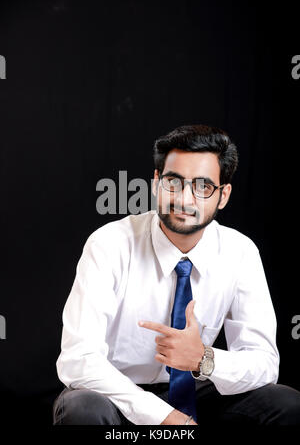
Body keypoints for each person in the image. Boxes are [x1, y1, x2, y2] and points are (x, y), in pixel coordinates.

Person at [53, 124, 300, 425]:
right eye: (174, 182)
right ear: (156, 183)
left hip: (198, 392)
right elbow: (78, 359)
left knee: (287, 404)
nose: (184, 200)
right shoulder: (110, 244)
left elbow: (264, 363)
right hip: (117, 396)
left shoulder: (240, 252)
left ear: (223, 196)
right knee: (83, 409)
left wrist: (203, 359)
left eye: (203, 187)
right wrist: (168, 419)